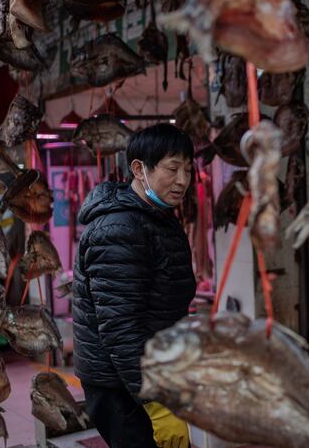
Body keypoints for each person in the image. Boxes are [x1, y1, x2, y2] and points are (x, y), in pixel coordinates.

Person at [72, 124, 196, 448]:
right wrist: (155, 403)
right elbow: (120, 327)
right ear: (139, 169)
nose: (183, 180)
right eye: (172, 168)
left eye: (188, 169)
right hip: (122, 385)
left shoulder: (157, 218)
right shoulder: (121, 228)